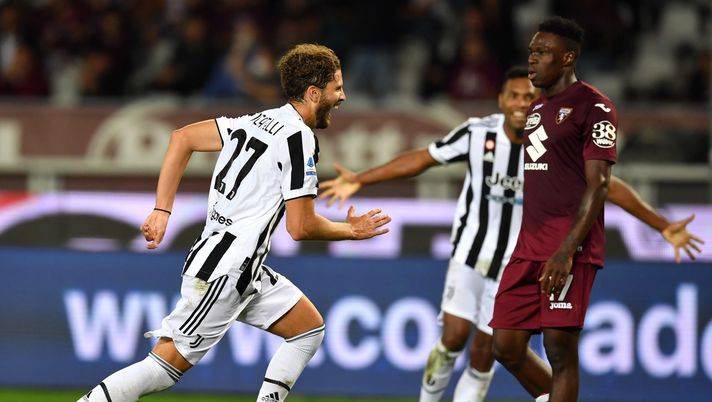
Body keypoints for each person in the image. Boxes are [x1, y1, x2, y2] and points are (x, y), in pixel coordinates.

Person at [319, 67, 703, 402]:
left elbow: (607, 186)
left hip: (514, 264)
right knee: (453, 338)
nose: (521, 103)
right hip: (470, 252)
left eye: (528, 96)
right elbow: (422, 157)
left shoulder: (552, 139)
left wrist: (661, 224)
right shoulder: (477, 133)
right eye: (514, 96)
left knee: (487, 350)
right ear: (501, 99)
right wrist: (360, 179)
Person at [78, 43, 391, 402]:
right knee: (162, 368)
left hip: (243, 268)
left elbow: (182, 138)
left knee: (308, 329)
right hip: (227, 270)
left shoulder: (254, 122)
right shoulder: (298, 139)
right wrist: (350, 230)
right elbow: (300, 227)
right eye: (337, 88)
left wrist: (162, 210)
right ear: (313, 93)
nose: (343, 96)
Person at [489, 17, 703, 402]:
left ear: (567, 57)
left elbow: (600, 183)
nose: (532, 60)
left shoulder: (595, 107)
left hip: (569, 250)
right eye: (531, 52)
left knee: (560, 353)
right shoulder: (538, 108)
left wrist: (566, 250)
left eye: (542, 53)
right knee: (505, 346)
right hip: (528, 248)